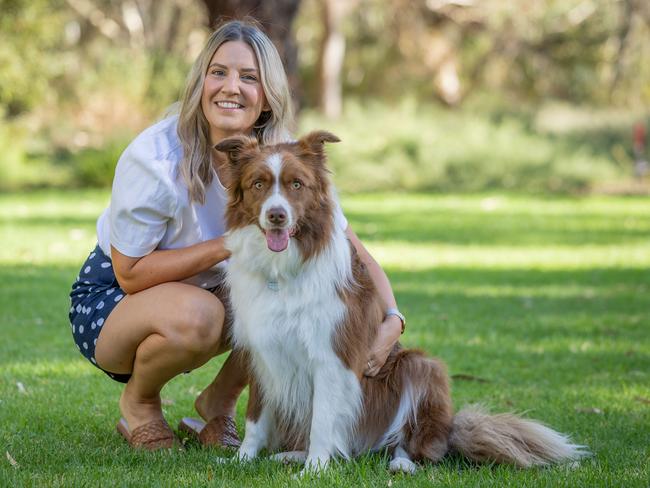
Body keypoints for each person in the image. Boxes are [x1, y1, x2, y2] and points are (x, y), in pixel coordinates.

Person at [68, 20, 405, 450]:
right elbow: (130, 273)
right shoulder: (154, 158)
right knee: (208, 313)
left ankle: (218, 404)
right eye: (219, 72)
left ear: (267, 96)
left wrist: (392, 319)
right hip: (116, 301)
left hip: (215, 290)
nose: (232, 87)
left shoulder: (285, 156)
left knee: (284, 295)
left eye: (249, 77)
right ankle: (140, 404)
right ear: (200, 82)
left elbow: (352, 253)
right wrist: (228, 245)